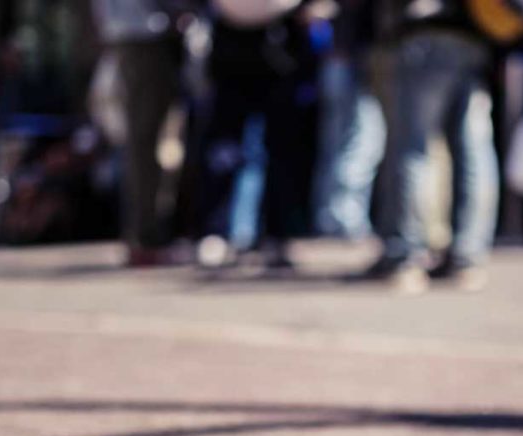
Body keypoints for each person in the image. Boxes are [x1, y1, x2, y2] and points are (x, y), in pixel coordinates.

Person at [369, 0, 500, 293]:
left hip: (423, 35)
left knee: (413, 148)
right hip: (473, 36)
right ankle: (468, 257)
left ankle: (406, 255)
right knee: (473, 149)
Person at [194, 2, 321, 270]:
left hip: (281, 42)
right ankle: (217, 232)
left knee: (283, 147)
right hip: (231, 42)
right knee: (224, 147)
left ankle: (278, 234)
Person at [90, 0, 192, 266]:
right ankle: (147, 237)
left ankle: (146, 235)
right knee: (147, 141)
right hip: (145, 36)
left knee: (146, 140)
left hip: (132, 35)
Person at [312, 0, 386, 241]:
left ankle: (331, 217)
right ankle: (346, 218)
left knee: (337, 143)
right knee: (362, 141)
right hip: (353, 62)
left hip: (338, 60)